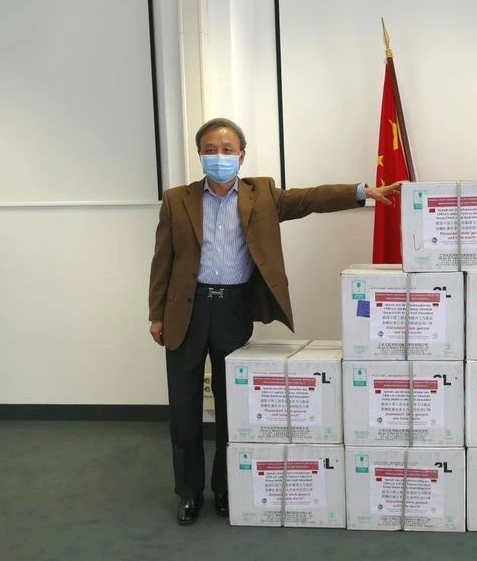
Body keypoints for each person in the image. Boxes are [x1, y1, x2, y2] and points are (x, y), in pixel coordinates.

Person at [149, 117, 401, 525]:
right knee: (184, 408)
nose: (218, 157)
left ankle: (226, 488)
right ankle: (189, 492)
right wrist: (155, 314)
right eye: (210, 150)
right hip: (185, 312)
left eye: (227, 150)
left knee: (234, 409)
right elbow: (162, 260)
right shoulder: (177, 199)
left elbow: (309, 198)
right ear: (199, 155)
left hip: (232, 311)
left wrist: (360, 191)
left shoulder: (262, 194)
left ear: (241, 156)